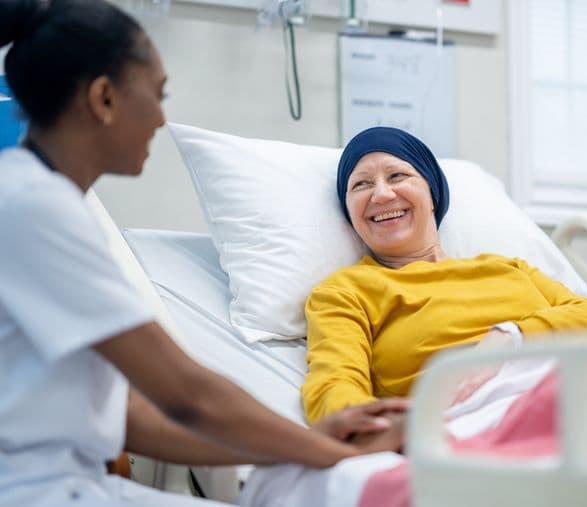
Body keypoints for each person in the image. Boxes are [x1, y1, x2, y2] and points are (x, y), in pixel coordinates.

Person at [0, 2, 406, 506]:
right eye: (157, 94)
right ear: (104, 98)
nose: (161, 118)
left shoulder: (48, 203)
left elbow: (129, 418)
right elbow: (186, 393)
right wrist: (330, 454)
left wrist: (304, 446)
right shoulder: (35, 210)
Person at [301, 126, 587, 424]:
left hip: (579, 387)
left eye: (397, 175)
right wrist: (382, 432)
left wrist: (507, 338)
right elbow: (334, 386)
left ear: (432, 192)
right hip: (470, 419)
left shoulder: (508, 267)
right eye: (361, 184)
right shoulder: (345, 291)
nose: (382, 195)